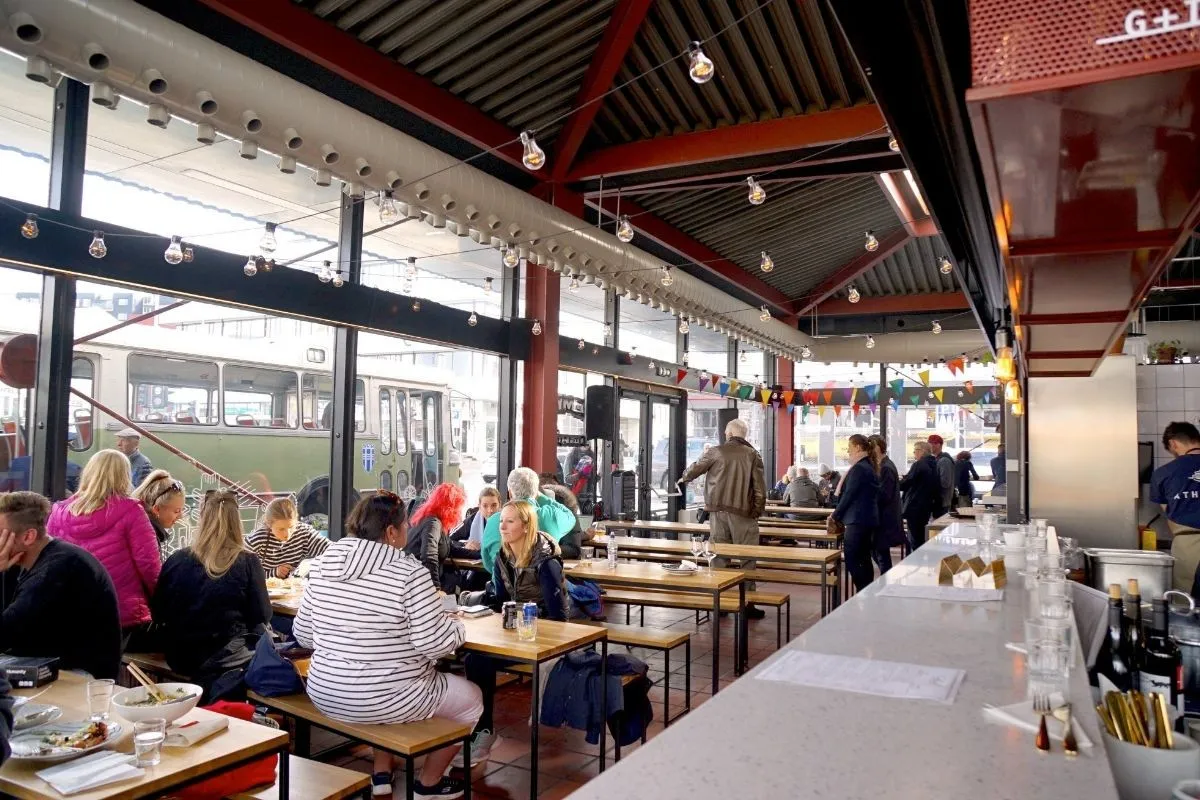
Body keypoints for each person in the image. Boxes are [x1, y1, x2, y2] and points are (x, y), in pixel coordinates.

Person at [294, 492, 480, 799]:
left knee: (383, 679)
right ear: (391, 532)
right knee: (471, 699)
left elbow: (304, 635)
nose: (408, 531)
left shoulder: (324, 565)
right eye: (405, 526)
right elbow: (434, 644)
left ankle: (381, 773)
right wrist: (456, 627)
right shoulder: (408, 573)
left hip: (326, 691)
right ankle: (429, 783)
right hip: (387, 696)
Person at [464, 500, 568, 767]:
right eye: (501, 521)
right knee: (474, 657)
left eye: (509, 521)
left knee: (478, 660)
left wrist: (521, 622)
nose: (502, 526)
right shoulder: (503, 555)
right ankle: (482, 731)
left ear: (526, 526)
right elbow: (499, 601)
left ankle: (483, 732)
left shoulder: (546, 562)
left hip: (543, 637)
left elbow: (559, 617)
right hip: (515, 632)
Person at [152, 491, 271, 690]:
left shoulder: (177, 559)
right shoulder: (247, 561)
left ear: (202, 518)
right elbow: (262, 615)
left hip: (179, 655)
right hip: (225, 658)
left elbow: (158, 610)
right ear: (237, 522)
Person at [0, 491, 121, 680]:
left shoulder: (57, 569)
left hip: (81, 680)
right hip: (45, 668)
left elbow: (5, 633)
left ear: (28, 537)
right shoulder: (21, 564)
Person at [47, 449, 160, 648]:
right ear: (124, 476)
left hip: (70, 609)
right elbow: (149, 566)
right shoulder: (132, 511)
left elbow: (48, 562)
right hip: (120, 612)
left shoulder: (59, 512)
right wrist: (160, 602)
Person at [678, 418, 767, 619]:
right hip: (743, 514)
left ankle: (722, 603)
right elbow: (760, 489)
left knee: (719, 558)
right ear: (744, 435)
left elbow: (692, 471)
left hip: (717, 514)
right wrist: (756, 512)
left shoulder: (716, 451)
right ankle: (748, 605)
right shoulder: (753, 455)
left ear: (728, 434)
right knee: (747, 560)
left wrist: (684, 476)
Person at [480, 467, 576, 583]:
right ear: (535, 493)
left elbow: (488, 562)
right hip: (543, 593)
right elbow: (570, 516)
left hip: (502, 594)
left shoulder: (494, 521)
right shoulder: (549, 515)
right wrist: (542, 497)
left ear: (510, 493)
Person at [1150, 422, 1200, 591]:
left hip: (1188, 547)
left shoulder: (1163, 474)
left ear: (1173, 443)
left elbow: (1169, 514)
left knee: (1188, 606)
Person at [831, 434, 881, 591]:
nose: (848, 452)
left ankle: (863, 591)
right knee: (864, 559)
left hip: (857, 520)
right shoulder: (868, 466)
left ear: (858, 447)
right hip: (865, 519)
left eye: (849, 448)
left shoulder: (859, 468)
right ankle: (866, 591)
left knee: (854, 560)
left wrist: (835, 515)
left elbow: (849, 495)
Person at [404, 483, 476, 593]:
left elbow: (450, 548)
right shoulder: (433, 523)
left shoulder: (430, 519)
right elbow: (429, 557)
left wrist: (478, 554)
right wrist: (435, 589)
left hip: (414, 580)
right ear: (450, 507)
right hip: (419, 585)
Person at [246, 497, 329, 580]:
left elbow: (331, 550)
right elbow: (243, 574)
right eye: (281, 529)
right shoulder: (256, 540)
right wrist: (274, 572)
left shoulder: (304, 532)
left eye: (291, 527)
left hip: (296, 589)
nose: (287, 534)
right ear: (269, 524)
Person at [869, 435, 904, 573]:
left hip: (884, 518)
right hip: (883, 517)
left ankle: (887, 582)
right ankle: (887, 579)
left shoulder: (886, 467)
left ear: (879, 447)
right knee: (878, 553)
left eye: (873, 446)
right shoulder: (882, 465)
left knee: (881, 554)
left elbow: (885, 494)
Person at [899, 441, 940, 553]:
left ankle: (918, 561)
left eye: (915, 450)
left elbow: (908, 483)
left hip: (915, 505)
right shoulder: (933, 463)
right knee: (921, 536)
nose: (913, 453)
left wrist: (896, 484)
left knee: (915, 538)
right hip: (926, 505)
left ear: (921, 451)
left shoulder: (919, 464)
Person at [133, 470, 185, 546]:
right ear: (157, 509)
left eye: (181, 510)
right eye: (176, 511)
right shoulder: (147, 537)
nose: (181, 516)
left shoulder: (139, 526)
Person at [928, 434, 955, 517]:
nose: (929, 447)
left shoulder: (944, 461)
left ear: (938, 445)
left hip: (942, 501)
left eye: (931, 444)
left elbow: (945, 483)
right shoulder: (937, 459)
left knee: (939, 527)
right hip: (940, 500)